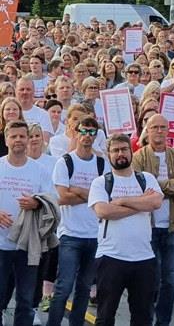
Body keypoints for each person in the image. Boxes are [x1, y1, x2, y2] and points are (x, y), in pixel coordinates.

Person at [88, 134, 164, 325]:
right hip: (111, 257)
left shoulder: (146, 179)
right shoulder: (101, 182)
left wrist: (121, 201)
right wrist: (140, 203)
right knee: (105, 316)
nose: (120, 154)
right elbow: (103, 210)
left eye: (124, 149)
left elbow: (155, 202)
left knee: (143, 317)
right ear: (109, 154)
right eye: (115, 150)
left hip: (144, 258)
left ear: (131, 152)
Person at [48, 116, 108, 326]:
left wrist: (77, 190)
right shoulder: (65, 161)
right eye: (84, 131)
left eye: (92, 132)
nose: (87, 136)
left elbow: (106, 197)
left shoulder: (102, 163)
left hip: (95, 235)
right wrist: (92, 194)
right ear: (76, 132)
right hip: (70, 234)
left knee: (84, 288)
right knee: (64, 286)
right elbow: (62, 197)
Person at [131, 114, 174, 326]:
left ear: (168, 130)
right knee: (151, 280)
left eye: (163, 127)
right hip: (149, 226)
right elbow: (139, 186)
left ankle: (162, 322)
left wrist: (156, 187)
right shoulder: (138, 156)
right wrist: (165, 187)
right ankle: (146, 319)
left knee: (170, 280)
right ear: (148, 130)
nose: (159, 131)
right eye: (154, 127)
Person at [0, 120, 55, 326]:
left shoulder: (39, 170)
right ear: (6, 139)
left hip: (28, 245)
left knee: (25, 298)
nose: (18, 140)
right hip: (1, 244)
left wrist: (36, 202)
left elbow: (52, 200)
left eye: (22, 136)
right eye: (13, 136)